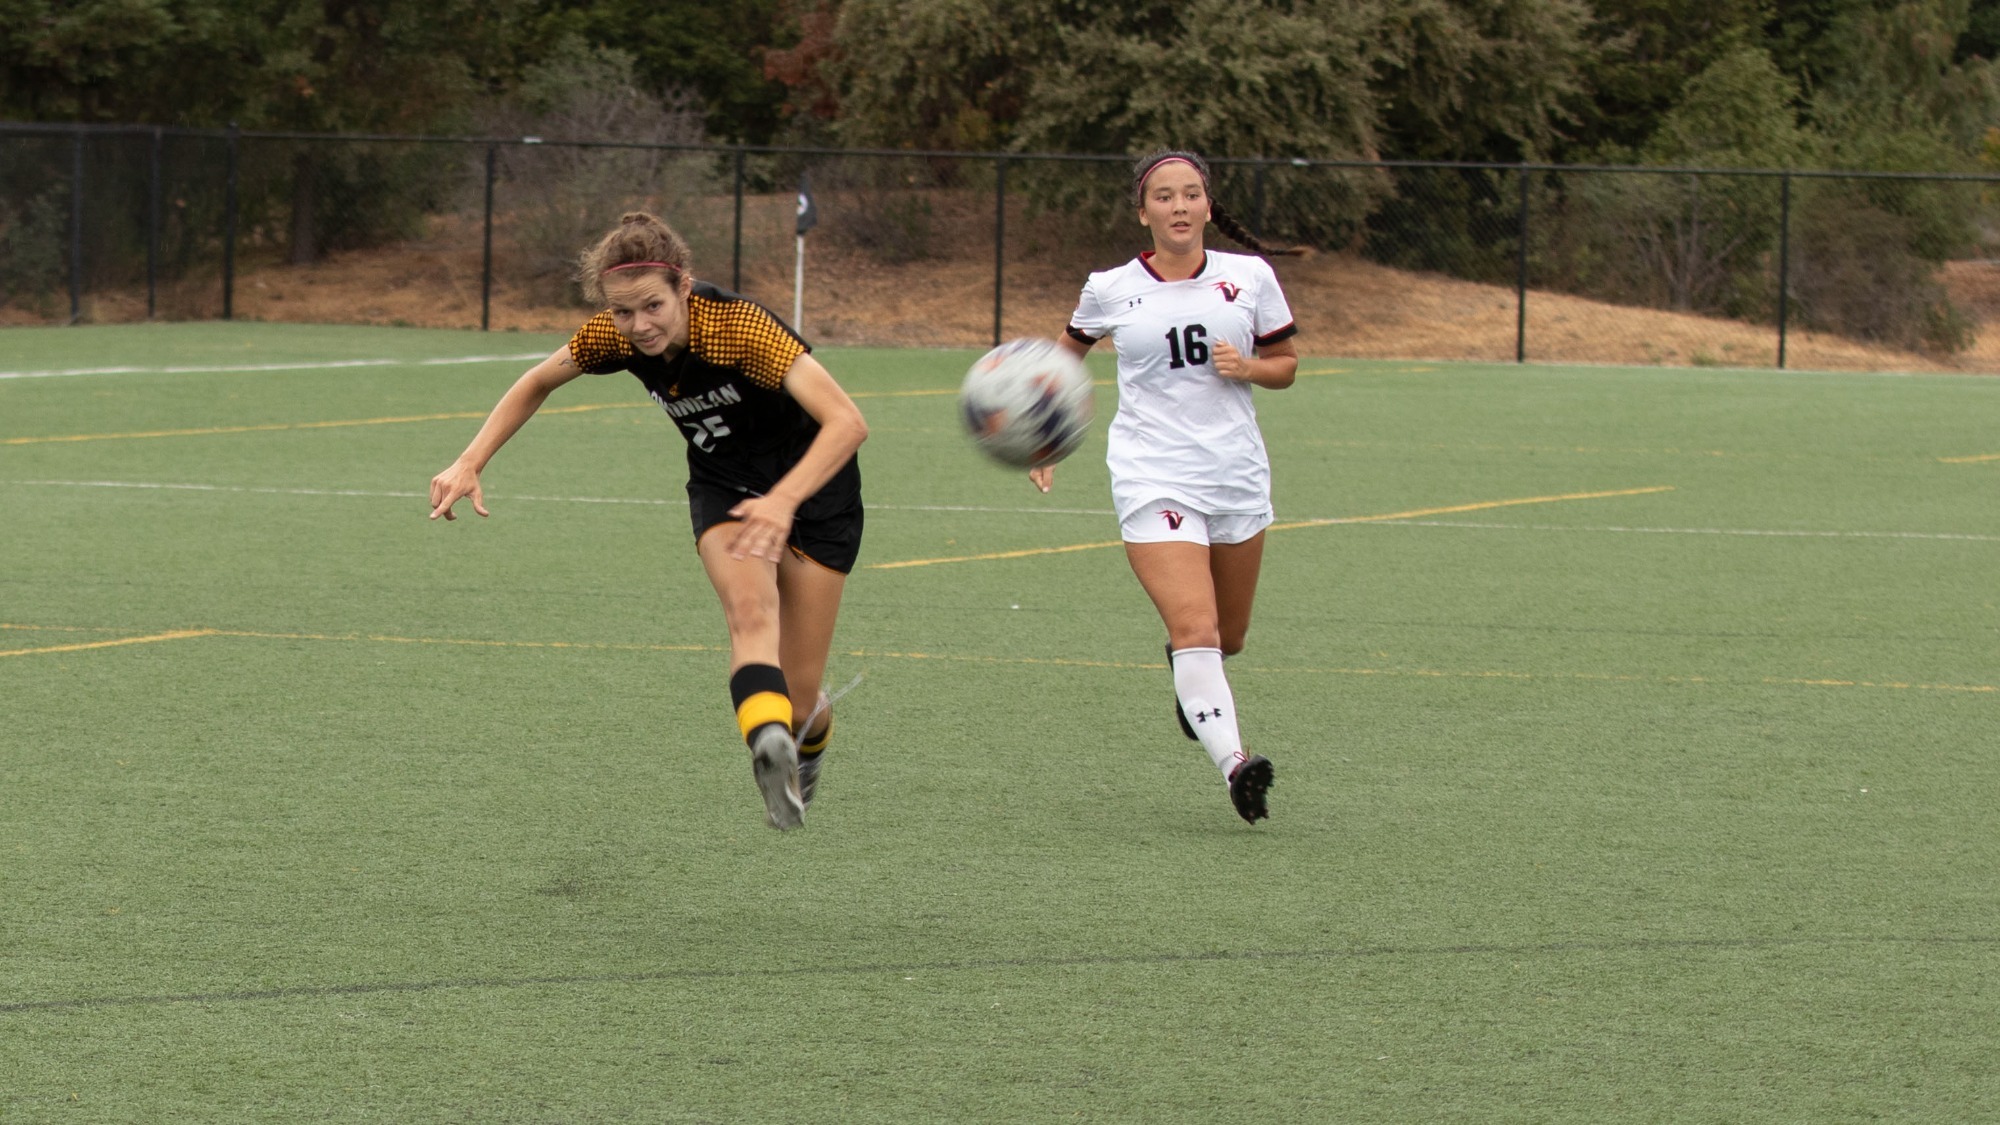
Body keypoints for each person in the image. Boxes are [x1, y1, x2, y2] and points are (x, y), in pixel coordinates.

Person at [428, 212, 868, 832]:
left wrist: (783, 500)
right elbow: (536, 380)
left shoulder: (739, 328)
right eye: (623, 312)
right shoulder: (614, 335)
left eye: (653, 307)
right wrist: (470, 459)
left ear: (684, 287)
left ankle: (798, 734)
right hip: (726, 488)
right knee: (749, 616)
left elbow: (847, 423)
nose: (639, 326)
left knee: (799, 700)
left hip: (817, 492)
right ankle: (767, 746)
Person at [1033, 150, 1301, 824]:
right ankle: (1237, 763)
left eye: (1190, 195)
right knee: (1195, 622)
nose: (1178, 207)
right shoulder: (1110, 286)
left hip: (1235, 473)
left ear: (1209, 206)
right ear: (1142, 211)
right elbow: (1067, 353)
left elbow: (1288, 364)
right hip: (1153, 473)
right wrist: (1046, 431)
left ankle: (1193, 674)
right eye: (1163, 196)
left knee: (1227, 636)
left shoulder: (1250, 277)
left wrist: (1250, 368)